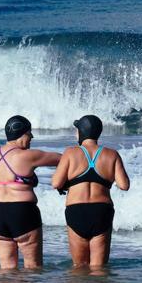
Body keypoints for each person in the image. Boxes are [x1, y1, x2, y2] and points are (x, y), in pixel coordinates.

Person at [52, 115, 130, 269]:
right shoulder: (112, 154)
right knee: (99, 268)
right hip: (101, 211)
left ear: (80, 132)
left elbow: (56, 183)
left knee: (79, 267)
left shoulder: (70, 153)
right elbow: (124, 185)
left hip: (76, 211)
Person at [0, 115, 61, 269]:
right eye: (29, 133)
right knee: (33, 268)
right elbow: (62, 159)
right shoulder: (27, 156)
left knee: (7, 270)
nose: (31, 137)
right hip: (22, 212)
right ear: (21, 134)